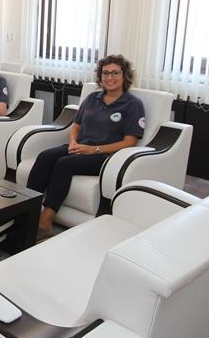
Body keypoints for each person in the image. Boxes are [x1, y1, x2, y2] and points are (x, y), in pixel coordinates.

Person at [27, 54, 145, 238]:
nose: (110, 77)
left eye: (115, 73)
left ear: (125, 76)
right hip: (81, 147)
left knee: (64, 164)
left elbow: (129, 141)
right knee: (45, 156)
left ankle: (45, 223)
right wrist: (73, 142)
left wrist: (93, 150)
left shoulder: (133, 105)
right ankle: (27, 213)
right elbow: (76, 126)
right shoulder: (92, 98)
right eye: (105, 73)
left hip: (105, 156)